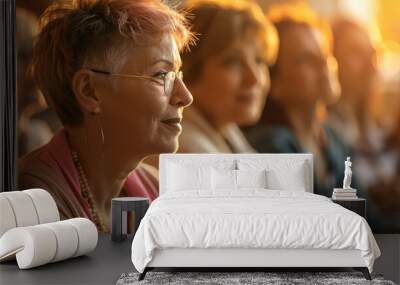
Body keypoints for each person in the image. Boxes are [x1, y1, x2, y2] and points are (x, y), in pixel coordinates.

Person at [19, 0, 193, 232]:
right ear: (89, 91)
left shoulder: (156, 186)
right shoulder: (32, 200)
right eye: (161, 75)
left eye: (177, 74)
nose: (185, 96)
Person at [245, 3, 349, 198]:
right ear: (274, 82)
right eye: (306, 59)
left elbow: (367, 213)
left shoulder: (331, 137)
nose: (323, 64)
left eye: (325, 53)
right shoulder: (272, 146)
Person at [178, 0, 278, 153]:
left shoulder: (225, 128)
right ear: (188, 68)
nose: (254, 79)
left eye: (259, 60)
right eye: (233, 62)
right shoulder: (188, 150)